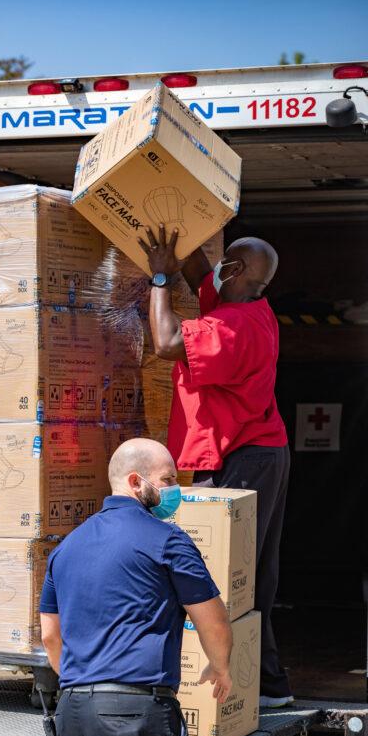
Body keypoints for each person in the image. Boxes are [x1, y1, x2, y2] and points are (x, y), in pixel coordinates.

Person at [40, 438, 233, 736]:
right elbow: (212, 617)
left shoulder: (67, 546)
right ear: (135, 481)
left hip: (75, 711)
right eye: (168, 480)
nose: (175, 491)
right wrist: (220, 667)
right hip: (137, 712)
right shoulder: (167, 541)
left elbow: (50, 634)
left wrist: (81, 680)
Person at [138, 223, 292, 707]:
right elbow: (202, 273)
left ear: (239, 270)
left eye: (226, 261)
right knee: (251, 573)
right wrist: (178, 228)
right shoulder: (241, 305)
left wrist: (159, 279)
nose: (217, 268)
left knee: (231, 573)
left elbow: (164, 343)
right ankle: (266, 683)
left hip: (242, 457)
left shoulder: (232, 328)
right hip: (256, 451)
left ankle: (256, 685)